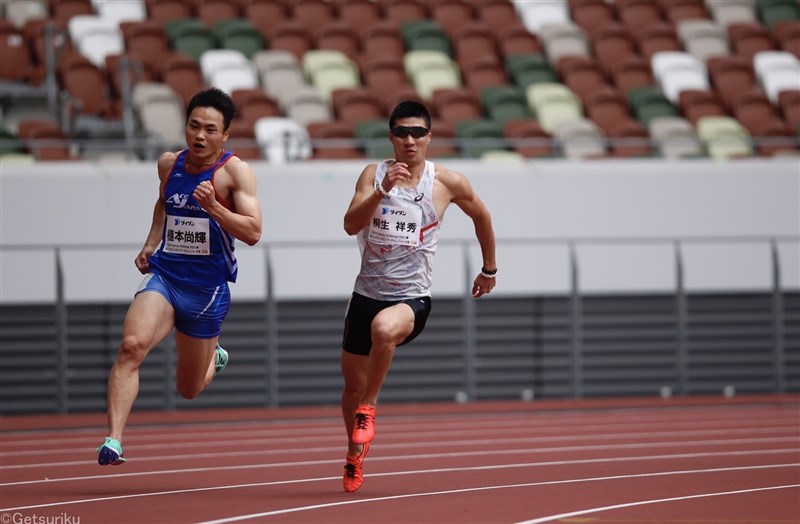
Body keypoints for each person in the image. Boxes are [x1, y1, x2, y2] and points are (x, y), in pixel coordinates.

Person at [97, 88, 263, 465]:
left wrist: (214, 208)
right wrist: (150, 243)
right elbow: (164, 202)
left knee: (188, 389)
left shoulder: (235, 173)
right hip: (166, 275)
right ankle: (114, 440)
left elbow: (253, 232)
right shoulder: (169, 164)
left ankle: (213, 358)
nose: (199, 136)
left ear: (225, 135)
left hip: (206, 291)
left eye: (209, 129)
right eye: (193, 126)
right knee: (131, 347)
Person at [339, 100, 497, 492]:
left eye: (417, 133)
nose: (409, 140)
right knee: (350, 386)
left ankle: (369, 408)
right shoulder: (371, 175)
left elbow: (482, 215)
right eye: (402, 133)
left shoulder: (446, 182)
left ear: (429, 137)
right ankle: (354, 454)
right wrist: (382, 190)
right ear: (391, 137)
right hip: (366, 294)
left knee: (384, 330)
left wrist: (489, 268)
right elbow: (349, 224)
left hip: (412, 298)